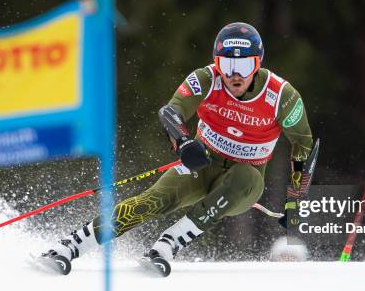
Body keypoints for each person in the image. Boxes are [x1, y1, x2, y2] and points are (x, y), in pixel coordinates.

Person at [40, 22, 314, 275]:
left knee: (245, 177)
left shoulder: (281, 96)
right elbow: (171, 112)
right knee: (154, 201)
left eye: (244, 66)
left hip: (244, 182)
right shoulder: (206, 79)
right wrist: (184, 142)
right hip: (203, 164)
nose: (234, 74)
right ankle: (70, 246)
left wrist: (294, 200)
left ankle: (167, 245)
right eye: (226, 64)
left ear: (258, 64)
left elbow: (303, 145)